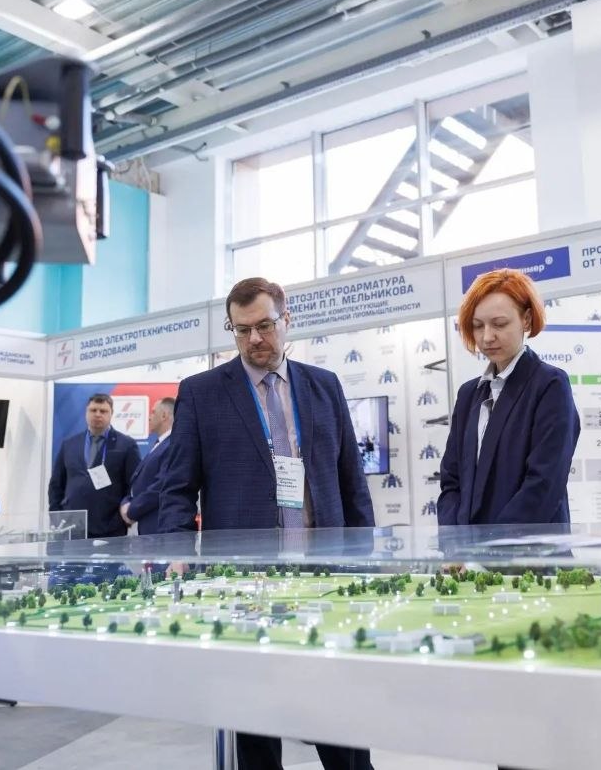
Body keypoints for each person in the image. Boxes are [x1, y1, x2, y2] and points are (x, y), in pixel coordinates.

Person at [157, 277, 374, 770]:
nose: (254, 338)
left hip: (324, 575)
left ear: (286, 320)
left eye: (264, 326)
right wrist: (178, 552)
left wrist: (366, 559)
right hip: (245, 579)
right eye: (241, 330)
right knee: (255, 715)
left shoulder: (324, 385)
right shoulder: (201, 393)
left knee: (337, 708)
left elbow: (351, 482)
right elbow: (177, 487)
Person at [437, 268, 579, 526]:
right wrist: (456, 539)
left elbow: (543, 485)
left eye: (499, 324)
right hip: (468, 549)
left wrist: (494, 544)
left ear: (526, 320)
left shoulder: (550, 385)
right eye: (477, 326)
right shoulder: (468, 394)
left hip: (527, 548)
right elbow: (451, 481)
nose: (487, 337)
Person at [48, 393, 141, 539]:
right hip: (71, 525)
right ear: (86, 413)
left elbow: (134, 485)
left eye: (103, 411)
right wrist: (56, 516)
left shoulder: (126, 445)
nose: (97, 414)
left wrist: (124, 516)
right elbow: (56, 484)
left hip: (110, 526)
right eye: (93, 410)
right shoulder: (70, 444)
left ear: (111, 414)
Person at [119, 396, 175, 535]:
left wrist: (132, 510)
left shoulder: (172, 445)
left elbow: (161, 486)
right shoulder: (159, 444)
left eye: (153, 412)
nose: (149, 417)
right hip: (149, 527)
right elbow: (138, 483)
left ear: (164, 416)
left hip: (160, 530)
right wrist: (126, 502)